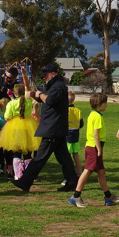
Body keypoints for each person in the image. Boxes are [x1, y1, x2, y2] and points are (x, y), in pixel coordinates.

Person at [11, 64, 79, 192]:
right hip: (55, 127)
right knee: (64, 158)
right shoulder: (53, 85)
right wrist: (34, 94)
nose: (44, 78)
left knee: (40, 157)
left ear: (53, 74)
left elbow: (50, 100)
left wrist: (40, 93)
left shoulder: (58, 86)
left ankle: (25, 182)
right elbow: (44, 99)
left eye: (46, 75)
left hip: (53, 128)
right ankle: (72, 182)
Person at [68, 93, 119, 208]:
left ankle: (108, 196)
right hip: (93, 147)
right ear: (98, 104)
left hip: (92, 147)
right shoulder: (97, 117)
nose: (106, 105)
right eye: (105, 103)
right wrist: (99, 149)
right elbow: (96, 135)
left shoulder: (93, 114)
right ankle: (76, 196)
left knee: (101, 172)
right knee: (88, 170)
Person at [0, 83, 40, 180]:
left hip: (15, 128)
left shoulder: (11, 104)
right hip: (28, 127)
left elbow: (6, 118)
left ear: (15, 93)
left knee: (16, 153)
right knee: (28, 153)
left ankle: (18, 175)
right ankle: (29, 175)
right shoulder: (28, 101)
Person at [63, 90, 84, 185]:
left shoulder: (64, 110)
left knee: (67, 158)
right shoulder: (78, 111)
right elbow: (81, 124)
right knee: (76, 156)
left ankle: (68, 177)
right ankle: (79, 174)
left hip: (66, 137)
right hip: (75, 136)